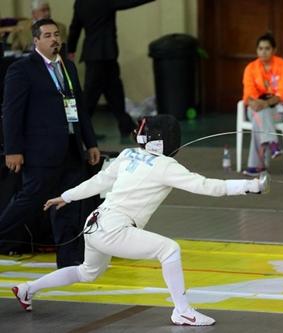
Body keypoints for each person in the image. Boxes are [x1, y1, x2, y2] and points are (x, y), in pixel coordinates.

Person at [11, 114, 268, 326]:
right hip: (114, 229)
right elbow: (207, 186)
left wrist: (66, 196)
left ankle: (27, 289)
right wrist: (249, 186)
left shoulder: (127, 155)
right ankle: (182, 310)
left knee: (87, 272)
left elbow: (98, 182)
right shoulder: (166, 166)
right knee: (169, 249)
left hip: (94, 222)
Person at [0, 19, 100, 267]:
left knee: (69, 202)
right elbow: (12, 112)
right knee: (28, 201)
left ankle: (69, 260)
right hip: (40, 152)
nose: (54, 39)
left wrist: (91, 142)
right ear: (36, 41)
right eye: (47, 35)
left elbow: (80, 108)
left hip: (71, 149)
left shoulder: (68, 66)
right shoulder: (22, 68)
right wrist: (12, 149)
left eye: (56, 34)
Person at [66, 0, 155, 143]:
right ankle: (79, 130)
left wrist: (71, 49)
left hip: (92, 53)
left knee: (114, 90)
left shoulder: (80, 3)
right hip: (106, 52)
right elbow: (128, 2)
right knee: (91, 96)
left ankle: (126, 125)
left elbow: (75, 27)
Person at [242, 32, 283, 176]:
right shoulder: (250, 68)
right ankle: (272, 143)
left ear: (274, 50)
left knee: (258, 120)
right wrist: (256, 103)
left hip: (278, 111)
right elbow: (248, 94)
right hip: (254, 108)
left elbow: (282, 94)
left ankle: (256, 166)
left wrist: (264, 104)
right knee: (260, 113)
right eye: (260, 48)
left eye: (267, 48)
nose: (263, 52)